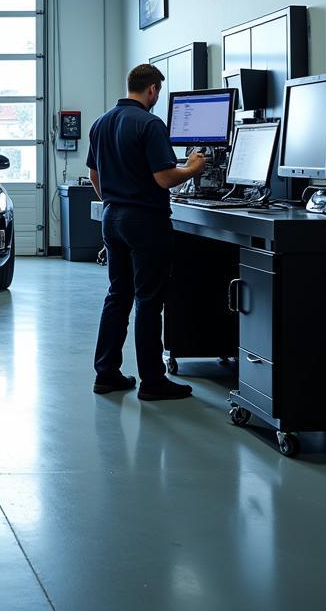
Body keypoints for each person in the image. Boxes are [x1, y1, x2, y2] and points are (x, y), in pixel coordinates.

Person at [86, 63, 207, 401]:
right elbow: (165, 178)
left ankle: (106, 373)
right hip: (145, 222)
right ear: (153, 89)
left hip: (113, 217)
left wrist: (117, 200)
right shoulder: (150, 124)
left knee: (118, 295)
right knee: (149, 301)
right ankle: (153, 382)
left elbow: (95, 175)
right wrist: (193, 167)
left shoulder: (101, 122)